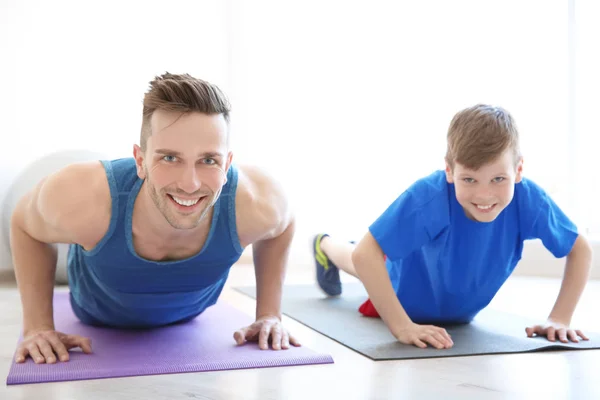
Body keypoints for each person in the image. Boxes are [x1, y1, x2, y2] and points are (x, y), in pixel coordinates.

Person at [10, 72, 299, 364]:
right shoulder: (82, 198)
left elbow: (283, 226)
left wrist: (269, 315)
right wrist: (38, 327)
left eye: (208, 160)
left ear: (227, 164)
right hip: (96, 312)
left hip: (188, 316)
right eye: (170, 158)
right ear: (140, 160)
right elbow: (23, 223)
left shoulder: (256, 201)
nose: (190, 184)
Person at [313, 104, 593, 350]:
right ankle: (324, 243)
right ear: (449, 170)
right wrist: (402, 327)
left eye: (498, 179)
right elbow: (365, 255)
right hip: (404, 291)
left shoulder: (529, 199)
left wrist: (560, 318)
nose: (484, 195)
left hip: (458, 311)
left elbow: (579, 248)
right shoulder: (430, 195)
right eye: (469, 180)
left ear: (518, 170)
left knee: (366, 256)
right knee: (357, 259)